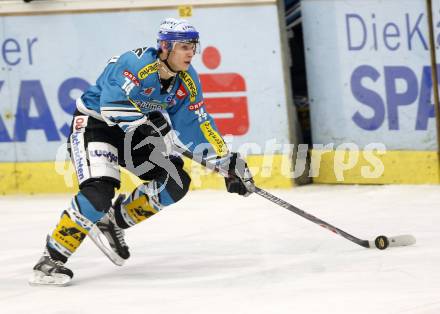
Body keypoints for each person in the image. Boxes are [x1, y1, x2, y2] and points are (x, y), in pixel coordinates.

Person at [29, 18, 254, 286]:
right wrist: (149, 124)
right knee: (99, 191)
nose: (190, 53)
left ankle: (112, 221)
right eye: (183, 46)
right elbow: (111, 106)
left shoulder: (187, 81)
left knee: (175, 181)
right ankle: (51, 259)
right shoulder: (134, 64)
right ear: (165, 46)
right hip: (95, 125)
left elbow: (198, 126)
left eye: (193, 46)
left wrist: (227, 163)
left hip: (134, 133)